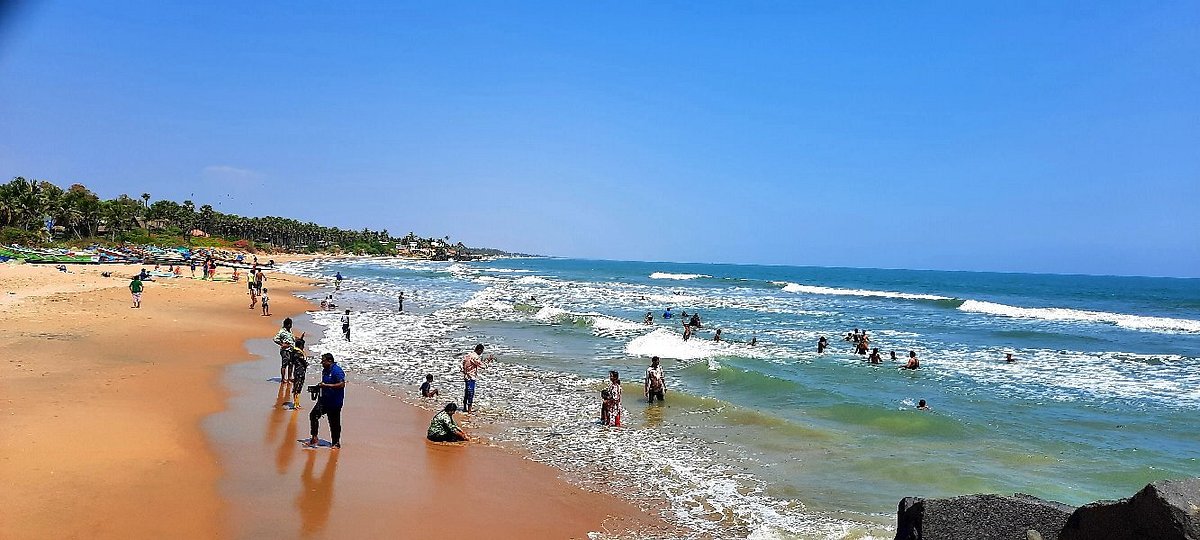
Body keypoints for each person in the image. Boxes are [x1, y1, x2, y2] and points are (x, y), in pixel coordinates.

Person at [307, 353, 346, 449]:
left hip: (335, 402)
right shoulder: (325, 370)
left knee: (334, 423)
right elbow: (324, 383)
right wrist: (318, 387)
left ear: (330, 361)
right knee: (313, 415)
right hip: (324, 400)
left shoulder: (337, 371)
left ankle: (336, 443)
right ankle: (314, 437)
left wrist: (326, 386)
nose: (321, 363)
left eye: (323, 361)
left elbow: (342, 384)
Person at [461, 344, 494, 413]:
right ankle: (469, 410)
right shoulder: (475, 357)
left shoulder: (468, 355)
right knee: (471, 393)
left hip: (466, 376)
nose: (481, 353)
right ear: (479, 350)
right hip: (471, 377)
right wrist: (488, 360)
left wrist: (464, 371)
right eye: (481, 351)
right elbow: (483, 366)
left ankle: (464, 407)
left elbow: (462, 364)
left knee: (467, 392)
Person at [289, 334, 309, 409]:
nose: (303, 347)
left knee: (298, 387)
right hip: (299, 372)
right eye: (302, 346)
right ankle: (295, 404)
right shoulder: (298, 353)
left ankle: (297, 403)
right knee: (297, 388)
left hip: (299, 371)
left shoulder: (295, 352)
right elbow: (304, 361)